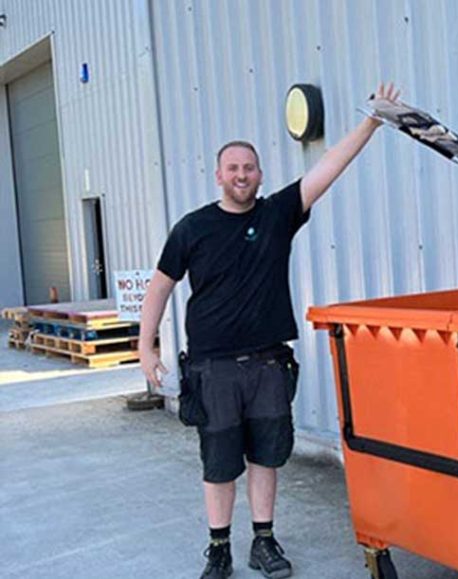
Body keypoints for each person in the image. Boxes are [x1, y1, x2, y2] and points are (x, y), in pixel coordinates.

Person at [140, 83, 401, 579]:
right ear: (219, 175)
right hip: (213, 368)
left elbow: (329, 169)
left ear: (260, 174)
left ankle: (264, 540)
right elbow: (159, 288)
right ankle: (219, 549)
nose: (242, 175)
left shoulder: (278, 215)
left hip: (267, 364)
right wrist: (144, 344)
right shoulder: (191, 229)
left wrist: (371, 121)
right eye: (233, 168)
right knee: (218, 464)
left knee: (266, 457)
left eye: (250, 167)